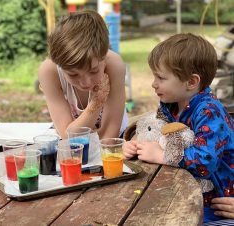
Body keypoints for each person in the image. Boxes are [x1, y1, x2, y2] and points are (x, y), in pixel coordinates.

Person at [123, 33, 234, 223]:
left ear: (191, 82)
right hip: (186, 191)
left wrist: (162, 156)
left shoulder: (209, 111)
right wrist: (135, 145)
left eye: (161, 77)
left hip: (217, 203)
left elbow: (204, 161)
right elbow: (156, 132)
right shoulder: (171, 104)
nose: (153, 83)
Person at [38, 10, 128, 139]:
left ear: (104, 56)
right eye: (73, 75)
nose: (85, 82)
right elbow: (67, 136)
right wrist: (97, 102)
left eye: (93, 71)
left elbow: (109, 138)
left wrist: (74, 131)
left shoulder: (115, 65)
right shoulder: (48, 71)